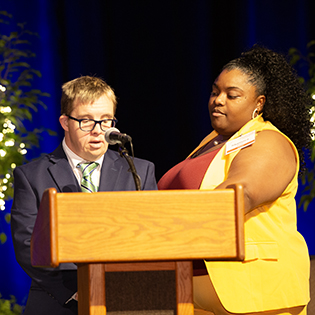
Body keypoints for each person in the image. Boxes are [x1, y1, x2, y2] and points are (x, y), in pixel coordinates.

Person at [158, 45, 312, 315]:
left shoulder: (268, 140)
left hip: (252, 290)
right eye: (215, 92)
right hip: (189, 292)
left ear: (259, 103)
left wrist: (165, 222)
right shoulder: (213, 141)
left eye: (232, 95)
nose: (218, 100)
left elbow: (239, 196)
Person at [11, 76, 157, 315]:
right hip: (57, 300)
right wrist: (72, 291)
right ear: (65, 122)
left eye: (106, 121)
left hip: (125, 298)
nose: (99, 131)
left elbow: (153, 236)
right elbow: (27, 244)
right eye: (86, 121)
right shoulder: (31, 175)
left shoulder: (139, 170)